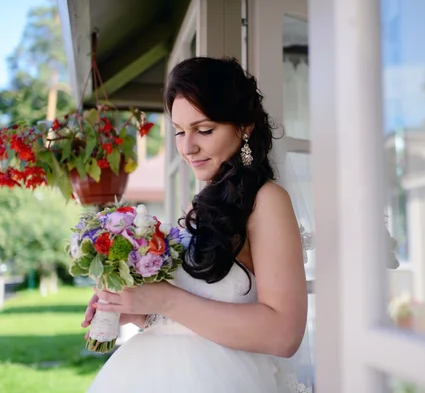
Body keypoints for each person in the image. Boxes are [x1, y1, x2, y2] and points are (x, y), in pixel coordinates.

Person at [82, 57, 313, 393]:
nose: (187, 148)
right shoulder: (199, 205)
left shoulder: (266, 201)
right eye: (179, 131)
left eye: (204, 130)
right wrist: (137, 310)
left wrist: (163, 300)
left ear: (245, 126)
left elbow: (284, 333)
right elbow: (194, 315)